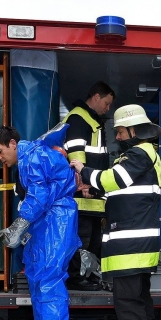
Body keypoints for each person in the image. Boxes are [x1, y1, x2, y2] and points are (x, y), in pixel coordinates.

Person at [71, 104, 161, 320]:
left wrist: (84, 170)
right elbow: (122, 192)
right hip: (134, 245)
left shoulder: (140, 153)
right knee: (139, 298)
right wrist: (95, 192)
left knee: (127, 301)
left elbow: (117, 179)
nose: (118, 137)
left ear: (134, 130)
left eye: (121, 132)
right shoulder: (140, 155)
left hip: (131, 245)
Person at [0, 124, 79, 320]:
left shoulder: (33, 157)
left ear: (13, 144)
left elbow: (39, 195)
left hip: (53, 226)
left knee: (47, 284)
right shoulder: (33, 157)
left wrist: (18, 226)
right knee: (41, 282)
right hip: (49, 225)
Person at [63, 81, 115, 291]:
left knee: (92, 240)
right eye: (107, 103)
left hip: (92, 196)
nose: (107, 108)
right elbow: (76, 154)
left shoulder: (90, 120)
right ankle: (77, 278)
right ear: (96, 97)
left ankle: (89, 275)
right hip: (83, 195)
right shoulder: (78, 118)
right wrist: (83, 183)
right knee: (81, 239)